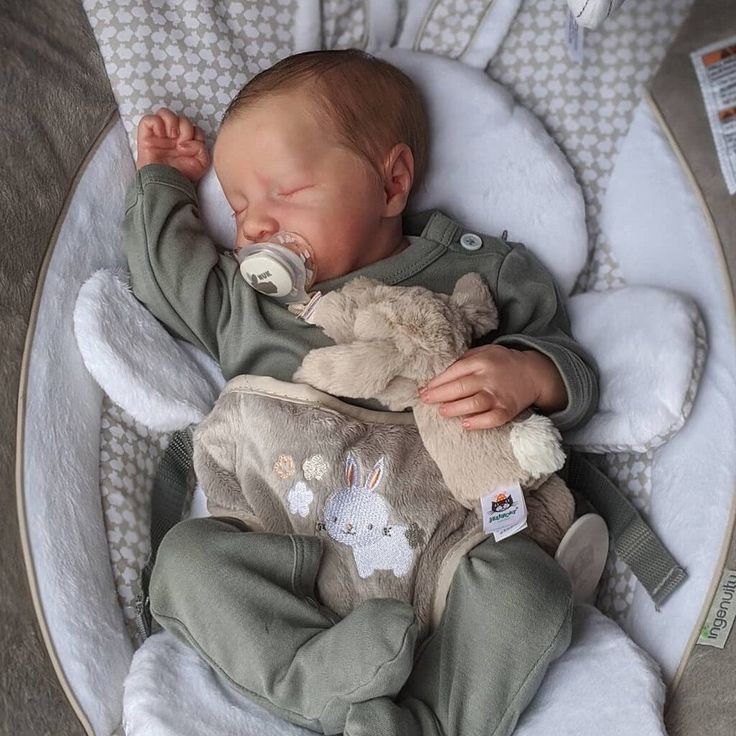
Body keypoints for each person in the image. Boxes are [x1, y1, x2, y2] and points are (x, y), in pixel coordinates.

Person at [124, 49, 598, 736]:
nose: (254, 225)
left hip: (447, 552)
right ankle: (320, 686)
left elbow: (572, 367)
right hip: (290, 559)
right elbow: (166, 278)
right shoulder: (247, 307)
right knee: (185, 566)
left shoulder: (477, 276)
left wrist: (528, 375)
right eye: (237, 205)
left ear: (391, 182)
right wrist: (164, 181)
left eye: (283, 191)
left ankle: (426, 722)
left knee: (529, 593)